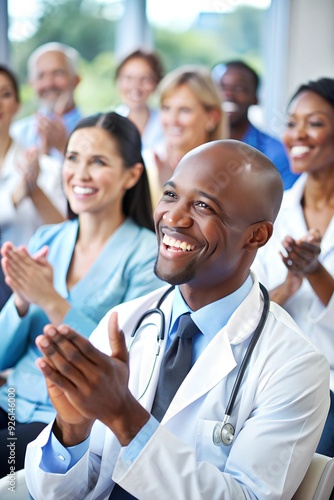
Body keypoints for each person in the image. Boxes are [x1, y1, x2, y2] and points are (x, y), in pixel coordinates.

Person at [25, 140, 329, 499]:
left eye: (203, 206)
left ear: (256, 235)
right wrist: (72, 430)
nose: (173, 218)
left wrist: (125, 417)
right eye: (170, 195)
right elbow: (54, 492)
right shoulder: (124, 322)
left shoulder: (295, 365)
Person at [0, 111, 164, 477]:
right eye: (72, 158)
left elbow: (127, 369)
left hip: (68, 424)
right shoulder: (48, 239)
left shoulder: (146, 257)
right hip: (10, 402)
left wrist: (52, 301)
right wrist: (23, 302)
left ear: (132, 175)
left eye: (98, 162)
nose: (80, 174)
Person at [252, 77, 334, 457]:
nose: (298, 134)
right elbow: (251, 309)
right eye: (291, 122)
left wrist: (316, 271)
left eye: (315, 123)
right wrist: (293, 281)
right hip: (268, 375)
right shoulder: (274, 210)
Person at [0, 64, 66, 310]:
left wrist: (33, 190)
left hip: (31, 292)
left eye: (5, 94)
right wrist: (14, 199)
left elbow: (64, 232)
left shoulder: (46, 168)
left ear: (17, 105)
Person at [144, 64, 228, 207]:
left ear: (212, 118)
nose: (172, 120)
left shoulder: (229, 175)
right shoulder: (145, 165)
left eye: (185, 110)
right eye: (166, 108)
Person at [211, 59, 299, 189]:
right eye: (220, 87)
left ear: (255, 98)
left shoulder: (277, 154)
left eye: (239, 88)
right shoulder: (194, 143)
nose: (228, 94)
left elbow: (287, 205)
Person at [10, 42, 82, 158]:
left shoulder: (97, 129)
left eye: (58, 73)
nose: (49, 83)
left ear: (76, 80)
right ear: (31, 84)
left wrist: (63, 146)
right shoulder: (16, 134)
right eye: (40, 76)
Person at [115, 48, 164, 151]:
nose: (136, 87)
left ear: (157, 83)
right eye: (128, 78)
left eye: (146, 79)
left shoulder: (166, 124)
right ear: (118, 81)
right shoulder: (107, 124)